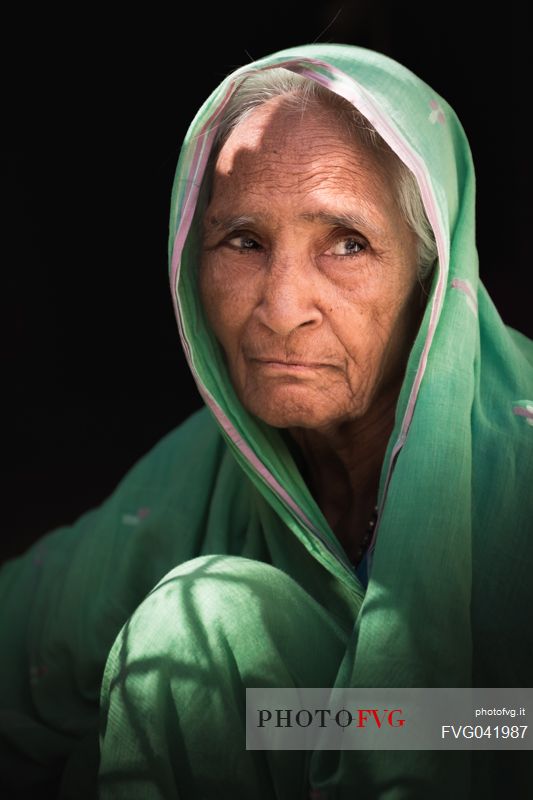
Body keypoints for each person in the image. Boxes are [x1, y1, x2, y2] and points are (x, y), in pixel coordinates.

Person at [1, 42, 532, 799]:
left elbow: (515, 726)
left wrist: (282, 716)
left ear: (431, 273)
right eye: (243, 242)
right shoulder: (211, 471)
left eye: (347, 244)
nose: (282, 311)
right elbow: (24, 642)